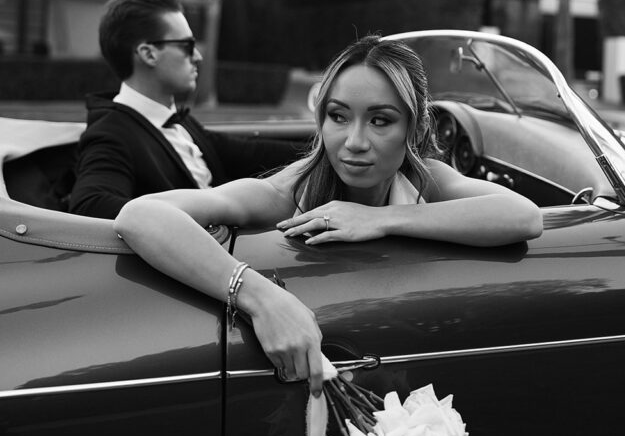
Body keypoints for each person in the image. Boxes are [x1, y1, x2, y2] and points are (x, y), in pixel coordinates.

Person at [114, 35, 543, 396]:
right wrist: (262, 300)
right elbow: (141, 215)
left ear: (412, 128)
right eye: (339, 116)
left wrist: (379, 220)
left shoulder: (427, 178)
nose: (354, 141)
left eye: (380, 120)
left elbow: (523, 216)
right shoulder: (290, 189)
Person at [69, 0, 295, 218]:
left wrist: (323, 148)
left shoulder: (180, 123)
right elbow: (89, 205)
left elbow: (248, 152)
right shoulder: (110, 135)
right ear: (149, 54)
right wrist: (207, 207)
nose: (198, 56)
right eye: (187, 46)